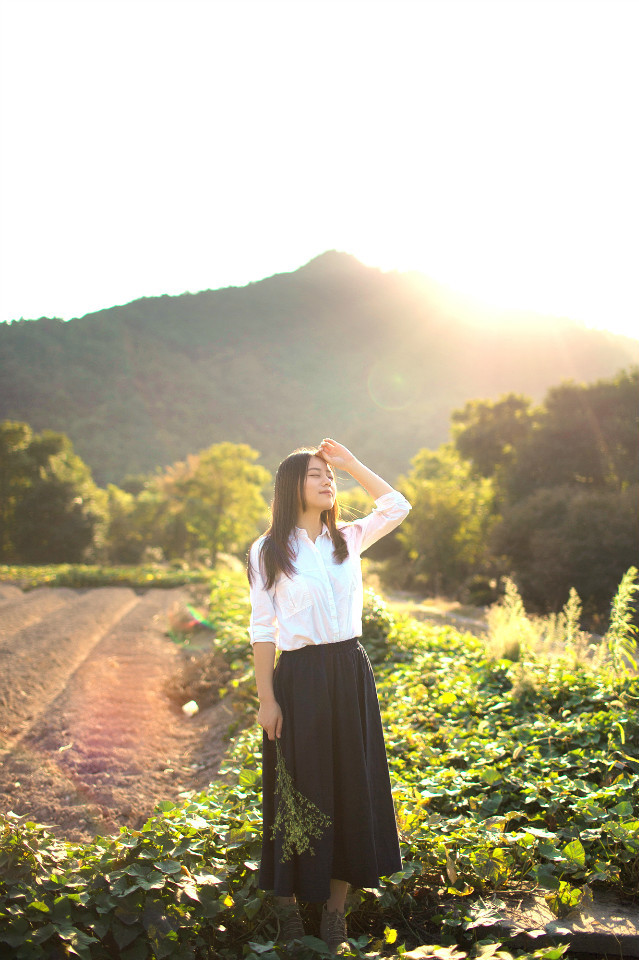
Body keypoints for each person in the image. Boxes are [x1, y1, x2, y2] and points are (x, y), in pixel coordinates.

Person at [247, 438, 411, 953]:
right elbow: (262, 628)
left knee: (347, 786)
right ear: (290, 486)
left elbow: (397, 506)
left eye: (329, 475)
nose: (327, 480)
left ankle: (335, 915)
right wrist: (266, 698)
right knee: (297, 789)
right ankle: (288, 909)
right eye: (316, 473)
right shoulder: (268, 549)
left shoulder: (348, 538)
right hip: (299, 679)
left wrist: (352, 462)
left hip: (349, 672)